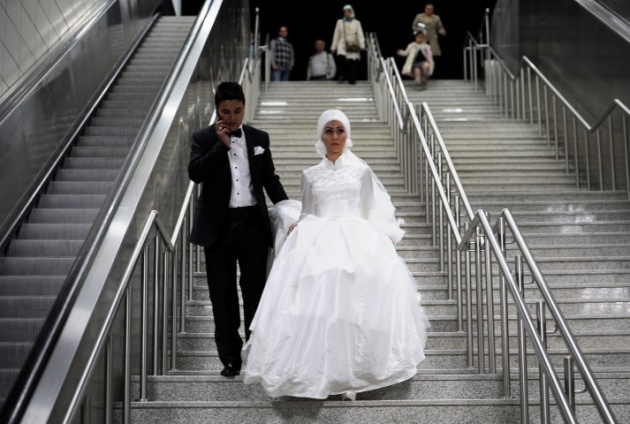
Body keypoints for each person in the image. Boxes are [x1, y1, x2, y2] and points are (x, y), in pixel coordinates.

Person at [243, 109, 430, 401]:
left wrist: (379, 240)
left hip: (356, 237)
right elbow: (307, 213)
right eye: (329, 131)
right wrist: (296, 230)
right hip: (317, 238)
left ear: (347, 134)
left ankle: (356, 371)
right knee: (316, 298)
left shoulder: (361, 172)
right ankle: (318, 371)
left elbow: (369, 211)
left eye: (340, 130)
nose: (335, 137)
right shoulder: (310, 174)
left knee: (355, 298)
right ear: (321, 135)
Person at [188, 81, 289, 378]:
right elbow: (195, 173)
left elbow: (270, 179)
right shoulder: (203, 138)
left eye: (237, 111)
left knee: (255, 292)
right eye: (225, 111)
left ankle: (256, 353)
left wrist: (288, 210)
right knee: (223, 296)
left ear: (244, 108)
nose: (232, 117)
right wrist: (222, 145)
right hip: (217, 228)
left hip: (252, 226)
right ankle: (231, 358)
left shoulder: (259, 137)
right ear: (216, 111)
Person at [331, 5, 365, 85]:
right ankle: (341, 74)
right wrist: (333, 46)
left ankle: (352, 79)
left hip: (353, 44)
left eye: (348, 11)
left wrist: (362, 45)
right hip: (342, 42)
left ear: (351, 12)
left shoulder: (357, 23)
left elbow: (360, 35)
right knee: (341, 57)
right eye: (345, 11)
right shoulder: (340, 22)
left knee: (352, 61)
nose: (346, 13)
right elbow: (336, 34)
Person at [411, 2, 446, 74]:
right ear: (425, 9)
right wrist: (418, 31)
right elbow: (414, 26)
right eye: (428, 9)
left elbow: (440, 27)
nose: (429, 10)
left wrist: (442, 31)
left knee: (433, 56)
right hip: (421, 38)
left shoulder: (436, 17)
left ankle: (431, 73)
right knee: (421, 55)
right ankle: (420, 72)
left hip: (432, 39)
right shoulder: (419, 16)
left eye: (431, 9)